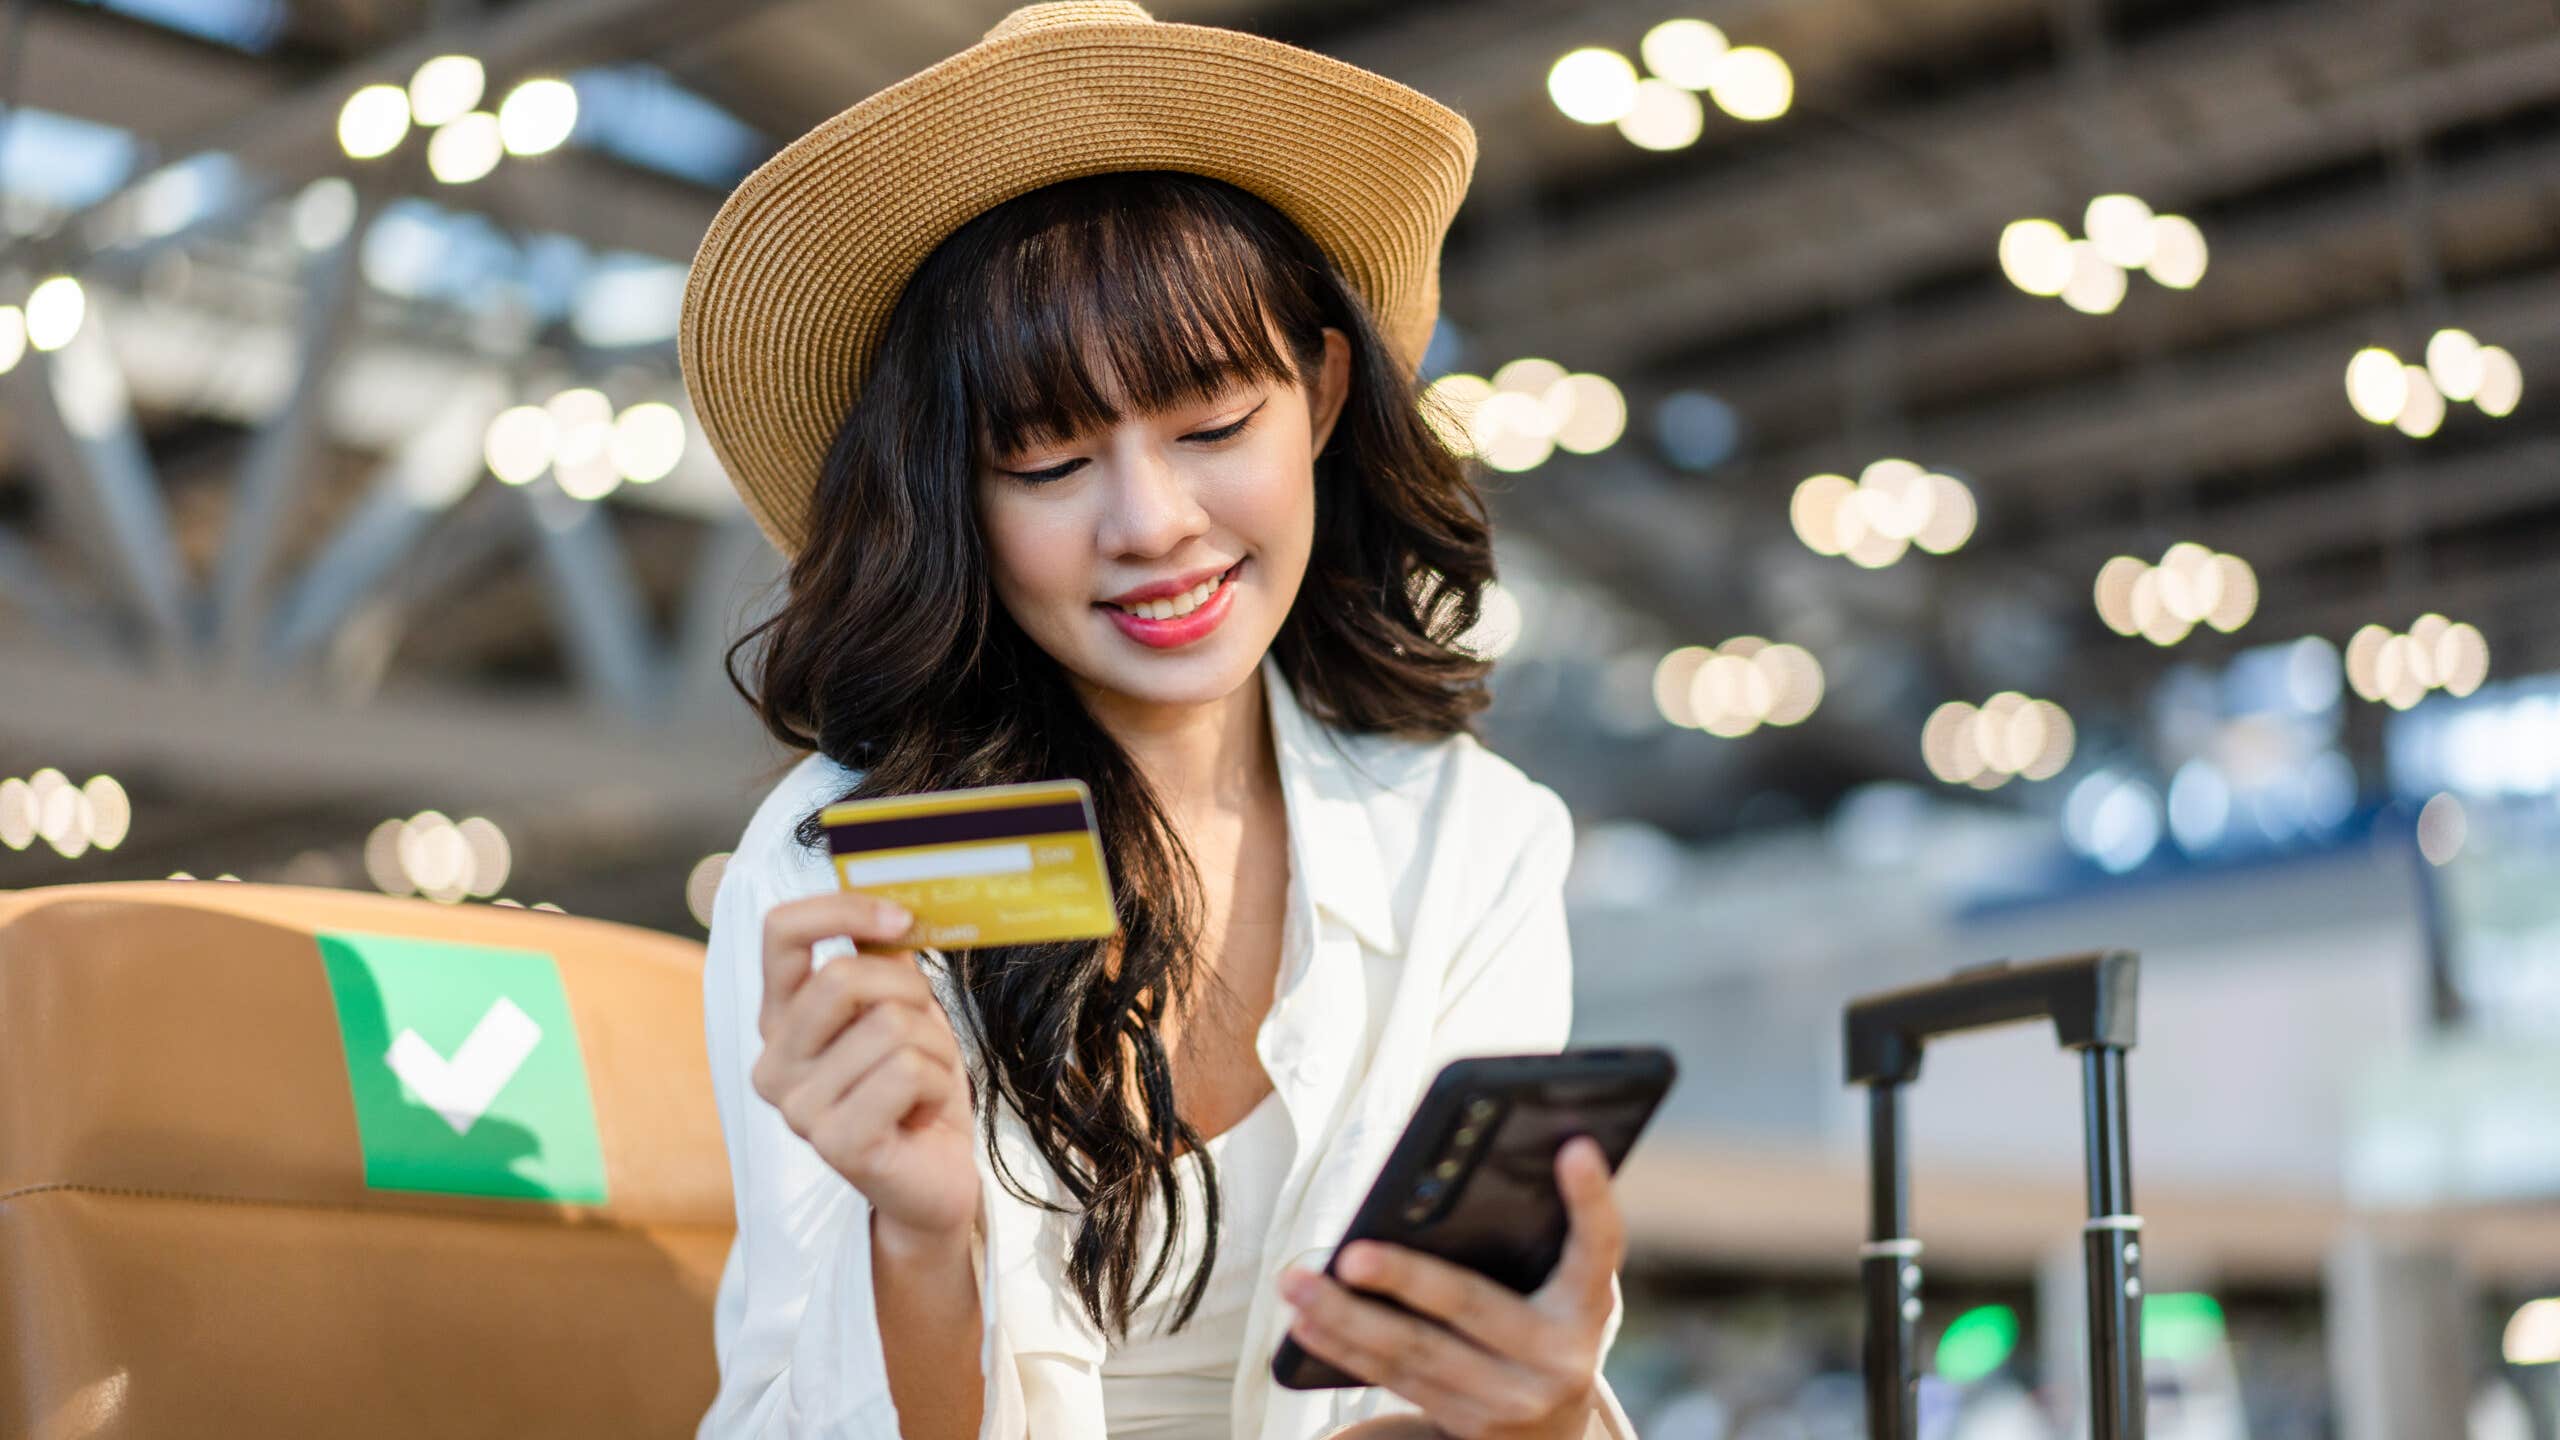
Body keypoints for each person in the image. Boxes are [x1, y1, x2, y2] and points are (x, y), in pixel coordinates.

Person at [681, 5, 1639, 1437]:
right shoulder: (839, 867)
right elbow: (795, 1408)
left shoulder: (1471, 845)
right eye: (1051, 459)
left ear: (1317, 395)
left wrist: (1538, 1410)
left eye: (1210, 428)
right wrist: (921, 1239)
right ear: (959, 497)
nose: (1152, 526)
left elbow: (1416, 1389)